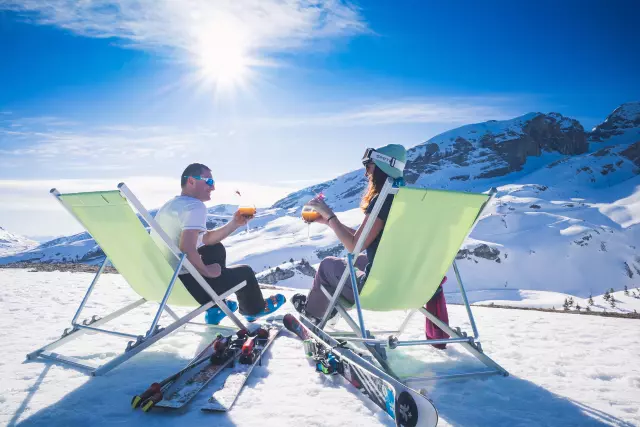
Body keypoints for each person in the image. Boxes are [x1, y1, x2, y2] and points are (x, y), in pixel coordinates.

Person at [151, 163, 286, 324]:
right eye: (209, 182)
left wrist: (234, 224)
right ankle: (254, 309)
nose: (213, 187)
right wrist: (207, 271)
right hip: (189, 288)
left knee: (214, 248)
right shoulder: (195, 206)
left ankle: (215, 309)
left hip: (163, 283)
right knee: (246, 273)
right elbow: (187, 248)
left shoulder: (171, 205)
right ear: (192, 181)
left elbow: (205, 239)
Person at [291, 144, 406, 323]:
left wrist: (330, 216)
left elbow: (354, 246)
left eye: (369, 165)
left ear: (383, 167)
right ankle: (329, 308)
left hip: (379, 288)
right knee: (360, 261)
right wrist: (331, 223)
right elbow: (368, 237)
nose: (366, 172)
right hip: (405, 280)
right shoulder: (405, 198)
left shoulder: (383, 199)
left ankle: (313, 315)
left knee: (327, 266)